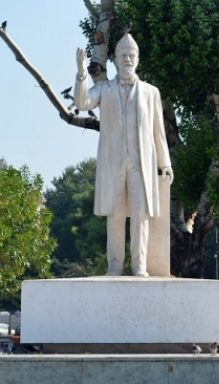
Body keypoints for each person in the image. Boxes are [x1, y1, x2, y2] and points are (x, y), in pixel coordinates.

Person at [74, 33, 173, 277]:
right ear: (115, 60)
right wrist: (81, 73)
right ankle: (115, 266)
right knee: (115, 215)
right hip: (113, 162)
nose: (127, 59)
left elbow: (158, 131)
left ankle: (139, 266)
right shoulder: (104, 89)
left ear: (137, 60)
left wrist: (165, 163)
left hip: (141, 164)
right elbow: (83, 102)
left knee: (141, 215)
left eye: (131, 56)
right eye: (123, 56)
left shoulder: (151, 93)